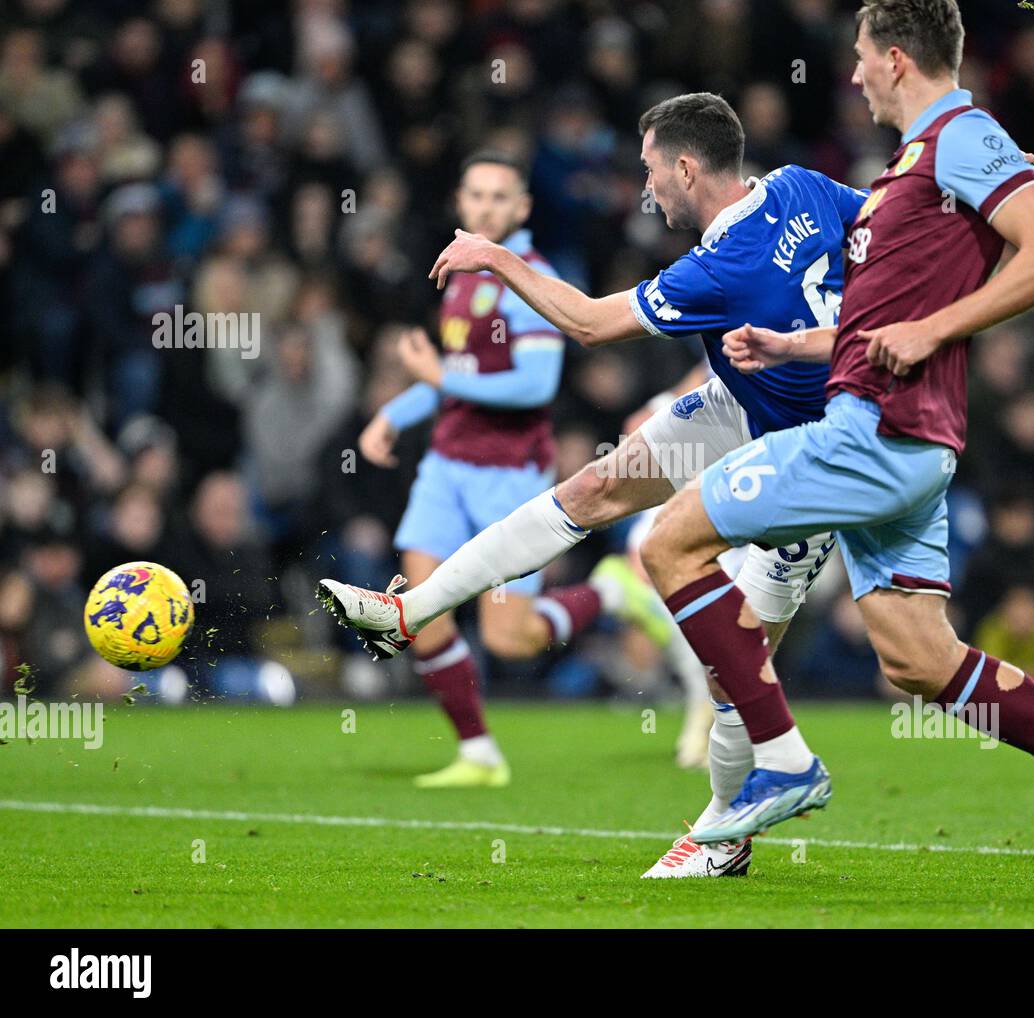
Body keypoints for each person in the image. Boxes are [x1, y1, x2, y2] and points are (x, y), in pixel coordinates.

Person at [637, 0, 1034, 898]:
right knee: (918, 660)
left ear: (895, 59)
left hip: (873, 435)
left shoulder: (961, 135)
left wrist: (934, 328)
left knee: (666, 543)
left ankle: (783, 760)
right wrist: (794, 345)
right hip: (906, 442)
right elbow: (882, 315)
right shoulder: (907, 169)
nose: (851, 75)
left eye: (859, 57)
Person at [319, 92, 865, 877]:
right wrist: (979, 197)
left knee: (737, 669)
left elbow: (587, 323)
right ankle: (410, 611)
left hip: (808, 457)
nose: (647, 187)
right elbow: (893, 212)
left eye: (650, 170)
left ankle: (725, 835)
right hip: (744, 403)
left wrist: (496, 257)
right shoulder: (800, 185)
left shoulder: (719, 268)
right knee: (595, 488)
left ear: (686, 167)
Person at [324, 151, 622, 789]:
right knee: (416, 611)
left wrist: (436, 376)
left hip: (510, 474)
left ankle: (613, 591)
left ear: (523, 207)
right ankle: (479, 751)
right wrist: (395, 414)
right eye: (476, 195)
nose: (486, 207)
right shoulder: (461, 271)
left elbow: (534, 385)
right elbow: (458, 378)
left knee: (511, 638)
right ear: (460, 202)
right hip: (446, 466)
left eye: (499, 197)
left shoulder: (533, 278)